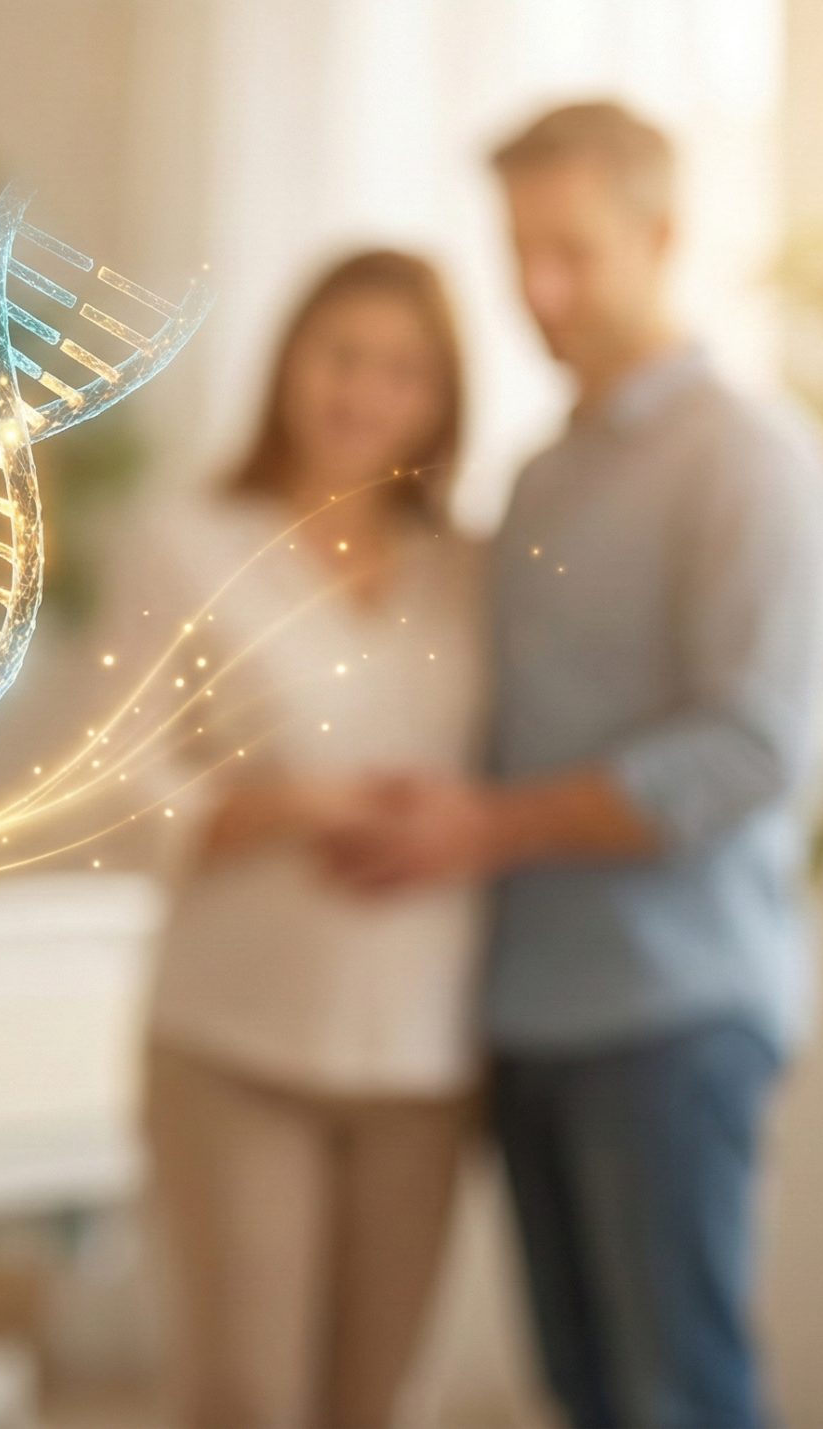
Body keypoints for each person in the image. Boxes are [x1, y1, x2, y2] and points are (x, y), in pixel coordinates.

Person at [320, 101, 823, 1429]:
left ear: (663, 237)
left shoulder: (749, 459)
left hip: (673, 1015)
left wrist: (486, 829)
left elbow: (749, 747)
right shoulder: (545, 476)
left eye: (575, 253)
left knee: (682, 1390)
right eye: (519, 253)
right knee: (589, 1393)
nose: (540, 293)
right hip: (529, 1012)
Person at [119, 250, 487, 1429]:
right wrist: (284, 807)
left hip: (423, 1049)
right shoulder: (189, 541)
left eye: (403, 369)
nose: (365, 391)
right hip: (236, 1039)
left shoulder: (469, 573)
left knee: (379, 1403)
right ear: (289, 364)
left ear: (441, 401)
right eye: (342, 355)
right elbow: (115, 785)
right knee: (247, 1398)